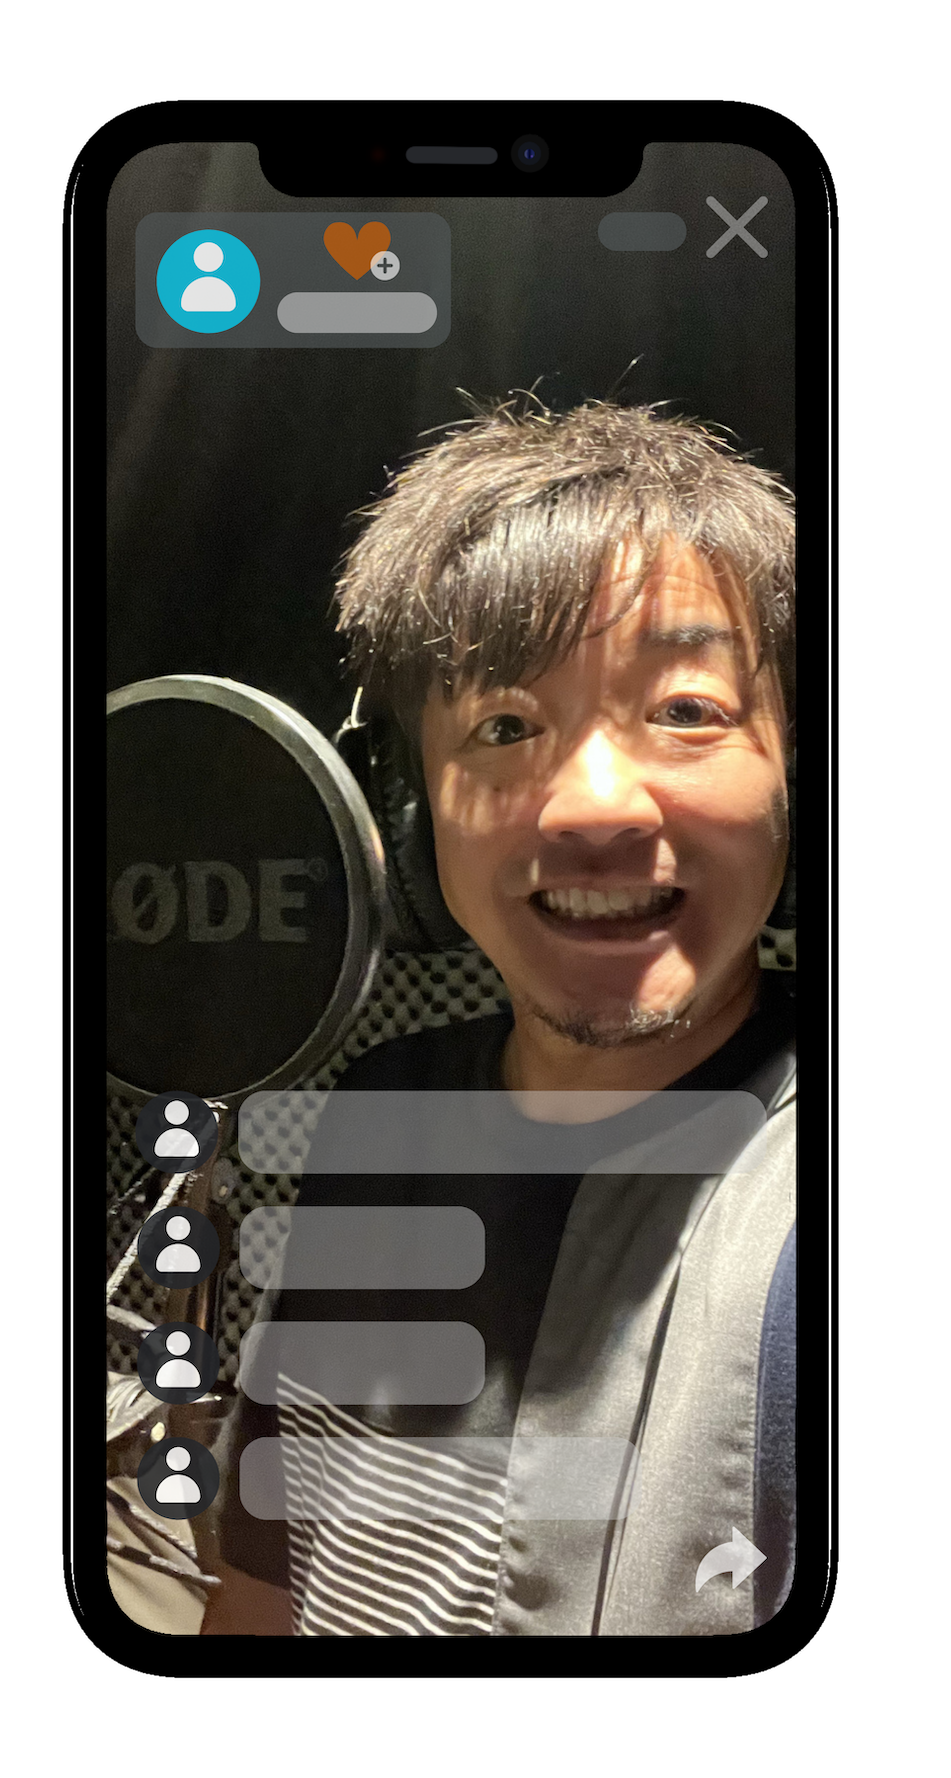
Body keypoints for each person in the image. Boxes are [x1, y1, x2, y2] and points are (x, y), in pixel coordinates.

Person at [202, 393, 796, 1636]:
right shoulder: (377, 1108)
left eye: (687, 709)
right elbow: (266, 1578)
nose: (592, 805)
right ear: (410, 819)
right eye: (504, 725)